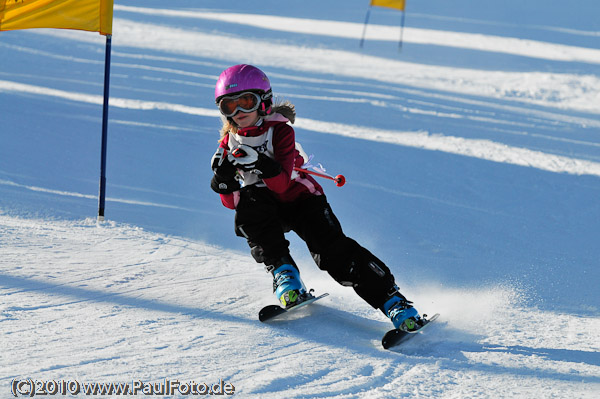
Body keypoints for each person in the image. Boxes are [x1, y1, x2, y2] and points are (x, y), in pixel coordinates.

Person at [209, 64, 422, 331]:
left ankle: (394, 303)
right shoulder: (228, 143)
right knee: (250, 211)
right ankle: (284, 273)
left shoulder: (280, 131)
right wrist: (225, 183)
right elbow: (233, 206)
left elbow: (280, 183)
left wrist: (263, 163)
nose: (239, 113)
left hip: (301, 200)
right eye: (230, 107)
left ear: (264, 101)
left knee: (332, 254)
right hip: (266, 205)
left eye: (246, 103)